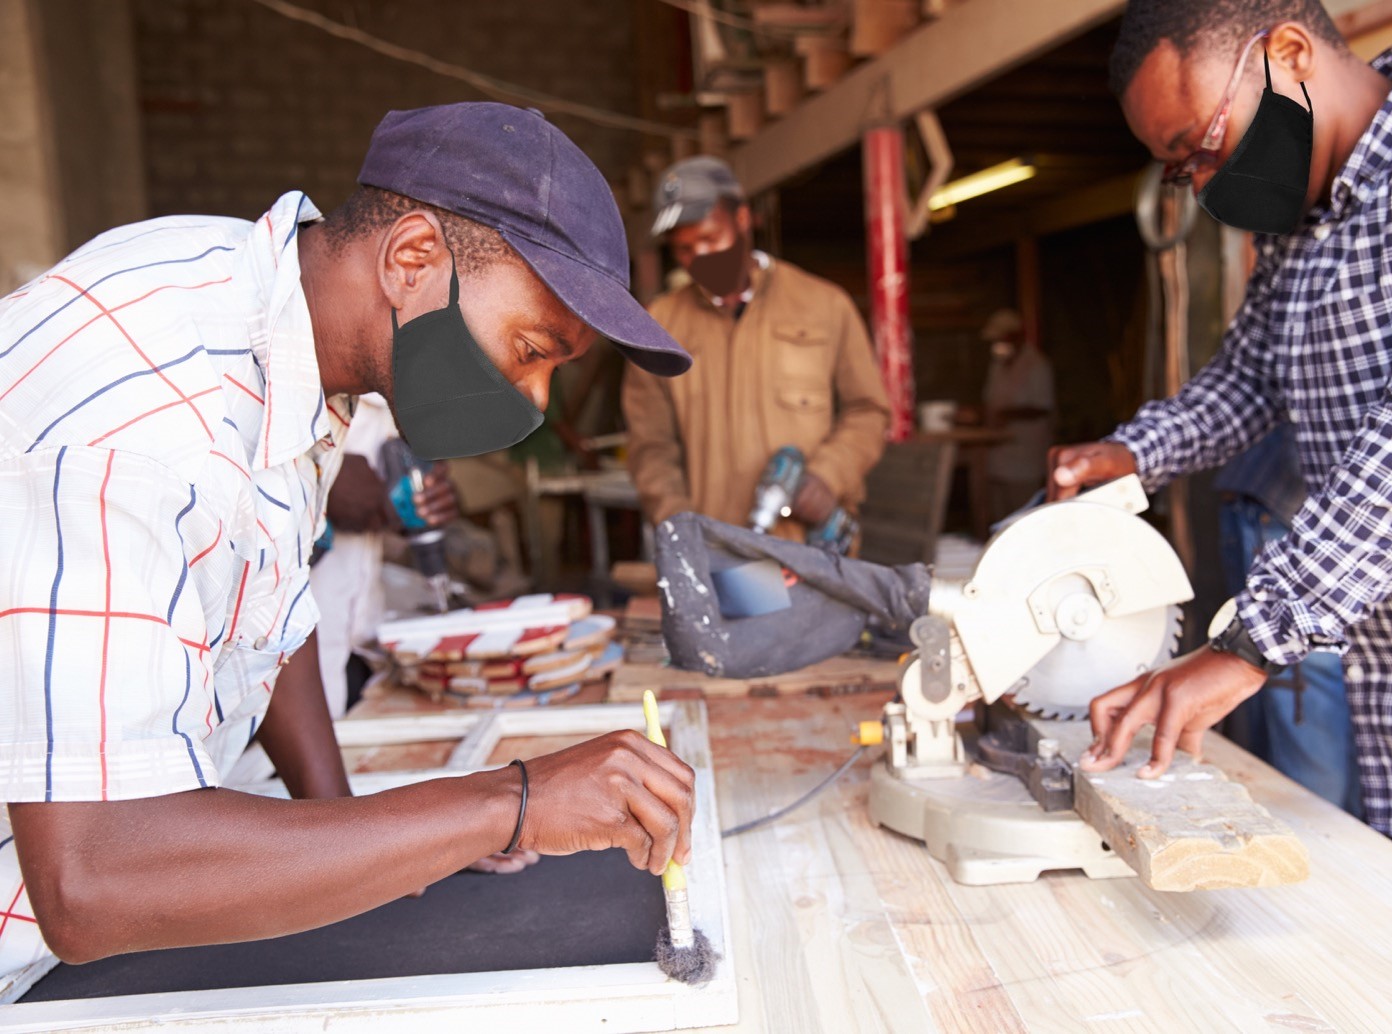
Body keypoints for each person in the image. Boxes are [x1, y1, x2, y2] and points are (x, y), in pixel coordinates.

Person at [0, 102, 698, 976]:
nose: (536, 401)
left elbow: (263, 606)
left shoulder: (274, 318)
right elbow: (94, 877)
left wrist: (367, 838)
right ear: (413, 260)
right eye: (530, 348)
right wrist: (507, 803)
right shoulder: (139, 423)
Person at [1049, 0, 1392, 933]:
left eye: (1203, 145)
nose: (1202, 185)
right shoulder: (1303, 221)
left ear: (1285, 53)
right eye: (1179, 170)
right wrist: (1133, 452)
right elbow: (1252, 379)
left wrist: (1249, 643)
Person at [623, 156, 891, 541]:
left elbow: (868, 411)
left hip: (812, 549)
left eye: (711, 239)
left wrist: (829, 476)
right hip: (720, 553)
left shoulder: (824, 305)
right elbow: (651, 445)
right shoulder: (659, 325)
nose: (700, 257)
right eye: (684, 249)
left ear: (743, 219)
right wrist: (681, 526)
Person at [1216, 426, 1361, 816]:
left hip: (1298, 514)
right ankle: (1316, 843)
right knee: (1289, 688)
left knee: (1304, 682)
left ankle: (1324, 846)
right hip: (1278, 505)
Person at [311, 393, 459, 717]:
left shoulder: (388, 394)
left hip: (359, 650)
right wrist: (317, 478)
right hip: (283, 669)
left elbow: (371, 536)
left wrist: (421, 504)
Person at [979, 309, 1056, 520]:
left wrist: (1007, 415)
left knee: (1023, 515)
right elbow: (990, 400)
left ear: (1016, 336)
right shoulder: (998, 365)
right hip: (997, 456)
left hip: (1025, 455)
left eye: (1001, 339)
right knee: (998, 514)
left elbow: (1042, 406)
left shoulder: (1037, 365)